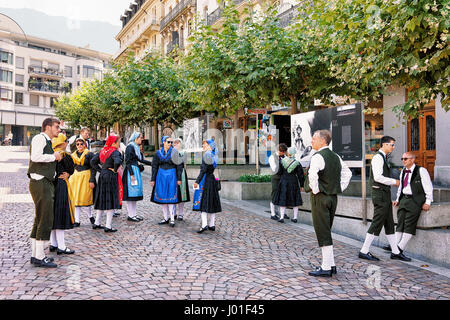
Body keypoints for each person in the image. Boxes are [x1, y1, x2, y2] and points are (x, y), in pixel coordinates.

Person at [306, 130, 352, 277]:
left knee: (323, 231)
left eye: (314, 139)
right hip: (333, 197)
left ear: (323, 141)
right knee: (326, 230)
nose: (312, 141)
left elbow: (312, 174)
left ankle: (326, 267)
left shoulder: (318, 156)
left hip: (321, 197)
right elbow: (348, 173)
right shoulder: (336, 156)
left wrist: (315, 189)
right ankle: (331, 265)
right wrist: (339, 187)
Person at [358, 136, 411, 261]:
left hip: (384, 194)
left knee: (389, 223)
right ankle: (364, 250)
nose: (393, 147)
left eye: (393, 145)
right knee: (377, 222)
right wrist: (395, 182)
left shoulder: (383, 157)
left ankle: (395, 252)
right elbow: (378, 177)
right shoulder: (378, 157)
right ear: (384, 145)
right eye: (391, 144)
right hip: (380, 194)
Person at [383, 152, 433, 259]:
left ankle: (399, 249)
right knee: (400, 224)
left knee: (409, 225)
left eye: (405, 159)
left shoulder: (421, 170)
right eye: (402, 158)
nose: (403, 160)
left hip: (415, 200)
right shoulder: (403, 171)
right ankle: (394, 247)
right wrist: (397, 199)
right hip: (404, 200)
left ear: (412, 160)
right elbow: (401, 187)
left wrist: (428, 202)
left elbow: (428, 186)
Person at [28, 118, 62, 268]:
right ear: (48, 127)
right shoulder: (39, 138)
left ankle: (36, 255)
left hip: (43, 181)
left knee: (40, 218)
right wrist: (53, 156)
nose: (58, 130)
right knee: (45, 218)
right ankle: (40, 256)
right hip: (40, 181)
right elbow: (35, 157)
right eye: (56, 127)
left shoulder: (46, 140)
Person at [49, 133, 76, 255]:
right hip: (61, 185)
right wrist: (68, 174)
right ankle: (61, 246)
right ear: (63, 143)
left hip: (50, 185)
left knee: (53, 213)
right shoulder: (65, 155)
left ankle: (53, 243)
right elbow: (71, 169)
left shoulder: (49, 154)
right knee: (60, 214)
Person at [90, 135, 123, 233]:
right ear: (113, 143)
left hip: (102, 176)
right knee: (110, 199)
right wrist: (115, 169)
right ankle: (108, 226)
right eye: (118, 142)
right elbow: (117, 161)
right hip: (111, 176)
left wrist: (101, 170)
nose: (119, 144)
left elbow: (92, 162)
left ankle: (97, 222)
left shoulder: (102, 151)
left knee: (101, 198)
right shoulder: (115, 152)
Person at [151, 136, 182, 228]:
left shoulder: (175, 152)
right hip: (161, 175)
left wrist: (179, 178)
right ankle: (165, 218)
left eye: (171, 142)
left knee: (171, 196)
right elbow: (154, 166)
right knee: (163, 196)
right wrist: (153, 179)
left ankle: (172, 218)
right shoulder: (158, 153)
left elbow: (179, 166)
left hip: (172, 175)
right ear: (163, 142)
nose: (170, 144)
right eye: (168, 142)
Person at [193, 139, 222, 233]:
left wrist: (197, 181)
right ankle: (212, 224)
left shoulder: (206, 155)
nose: (203, 146)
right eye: (203, 144)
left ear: (210, 146)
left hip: (207, 181)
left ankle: (204, 224)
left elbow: (203, 170)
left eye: (205, 144)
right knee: (212, 202)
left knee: (204, 202)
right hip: (212, 179)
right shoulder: (214, 155)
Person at [122, 132, 152, 222]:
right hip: (131, 171)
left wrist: (152, 164)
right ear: (135, 138)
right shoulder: (130, 147)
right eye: (140, 137)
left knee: (135, 193)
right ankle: (130, 215)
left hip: (135, 170)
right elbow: (127, 161)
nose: (141, 139)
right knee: (131, 193)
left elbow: (140, 160)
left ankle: (134, 214)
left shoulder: (135, 147)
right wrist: (131, 174)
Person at [272, 146, 305, 223]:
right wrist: (302, 185)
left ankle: (282, 217)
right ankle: (295, 218)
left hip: (284, 181)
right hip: (293, 182)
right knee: (295, 199)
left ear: (288, 153)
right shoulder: (297, 163)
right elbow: (301, 175)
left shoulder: (282, 161)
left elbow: (279, 172)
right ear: (294, 154)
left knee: (283, 199)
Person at [69, 137, 96, 227]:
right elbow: (70, 167)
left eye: (81, 144)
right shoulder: (73, 155)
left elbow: (93, 168)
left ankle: (91, 216)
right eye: (78, 144)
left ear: (85, 145)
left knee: (86, 198)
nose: (80, 146)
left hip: (86, 177)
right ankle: (77, 220)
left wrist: (92, 179)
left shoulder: (89, 154)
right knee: (76, 199)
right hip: (75, 178)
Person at [172, 138, 190, 221]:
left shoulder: (183, 152)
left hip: (181, 173)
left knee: (182, 193)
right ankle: (173, 212)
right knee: (173, 193)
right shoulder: (171, 152)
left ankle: (181, 213)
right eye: (174, 142)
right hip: (173, 173)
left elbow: (182, 162)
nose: (175, 144)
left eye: (177, 142)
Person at [268, 144, 287, 220]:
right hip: (275, 178)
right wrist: (282, 163)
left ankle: (282, 213)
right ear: (279, 151)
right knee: (274, 194)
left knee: (283, 194)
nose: (284, 154)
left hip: (283, 178)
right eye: (283, 152)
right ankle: (273, 214)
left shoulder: (284, 157)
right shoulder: (272, 157)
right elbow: (274, 169)